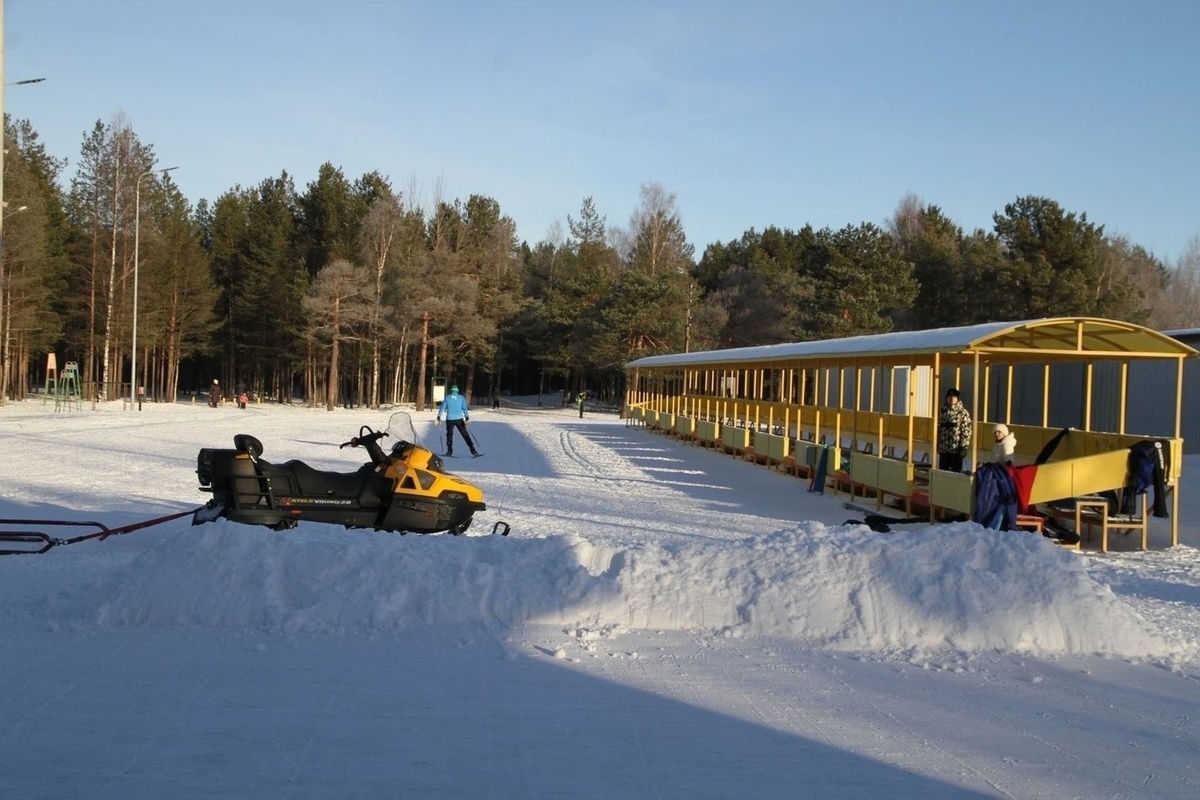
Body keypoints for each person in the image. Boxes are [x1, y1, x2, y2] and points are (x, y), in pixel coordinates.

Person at [435, 384, 479, 457]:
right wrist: (467, 417)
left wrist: (439, 417)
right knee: (465, 434)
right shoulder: (461, 398)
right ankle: (473, 449)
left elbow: (442, 408)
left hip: (450, 419)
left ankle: (449, 450)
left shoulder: (447, 397)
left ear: (451, 390)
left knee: (449, 434)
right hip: (459, 419)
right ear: (457, 391)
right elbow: (464, 408)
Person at [936, 388, 971, 472]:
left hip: (956, 449)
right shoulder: (942, 412)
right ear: (946, 398)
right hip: (944, 448)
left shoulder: (962, 413)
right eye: (950, 397)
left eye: (954, 397)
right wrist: (937, 443)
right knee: (943, 472)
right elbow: (938, 429)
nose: (952, 399)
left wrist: (963, 447)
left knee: (955, 473)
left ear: (957, 399)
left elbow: (966, 430)